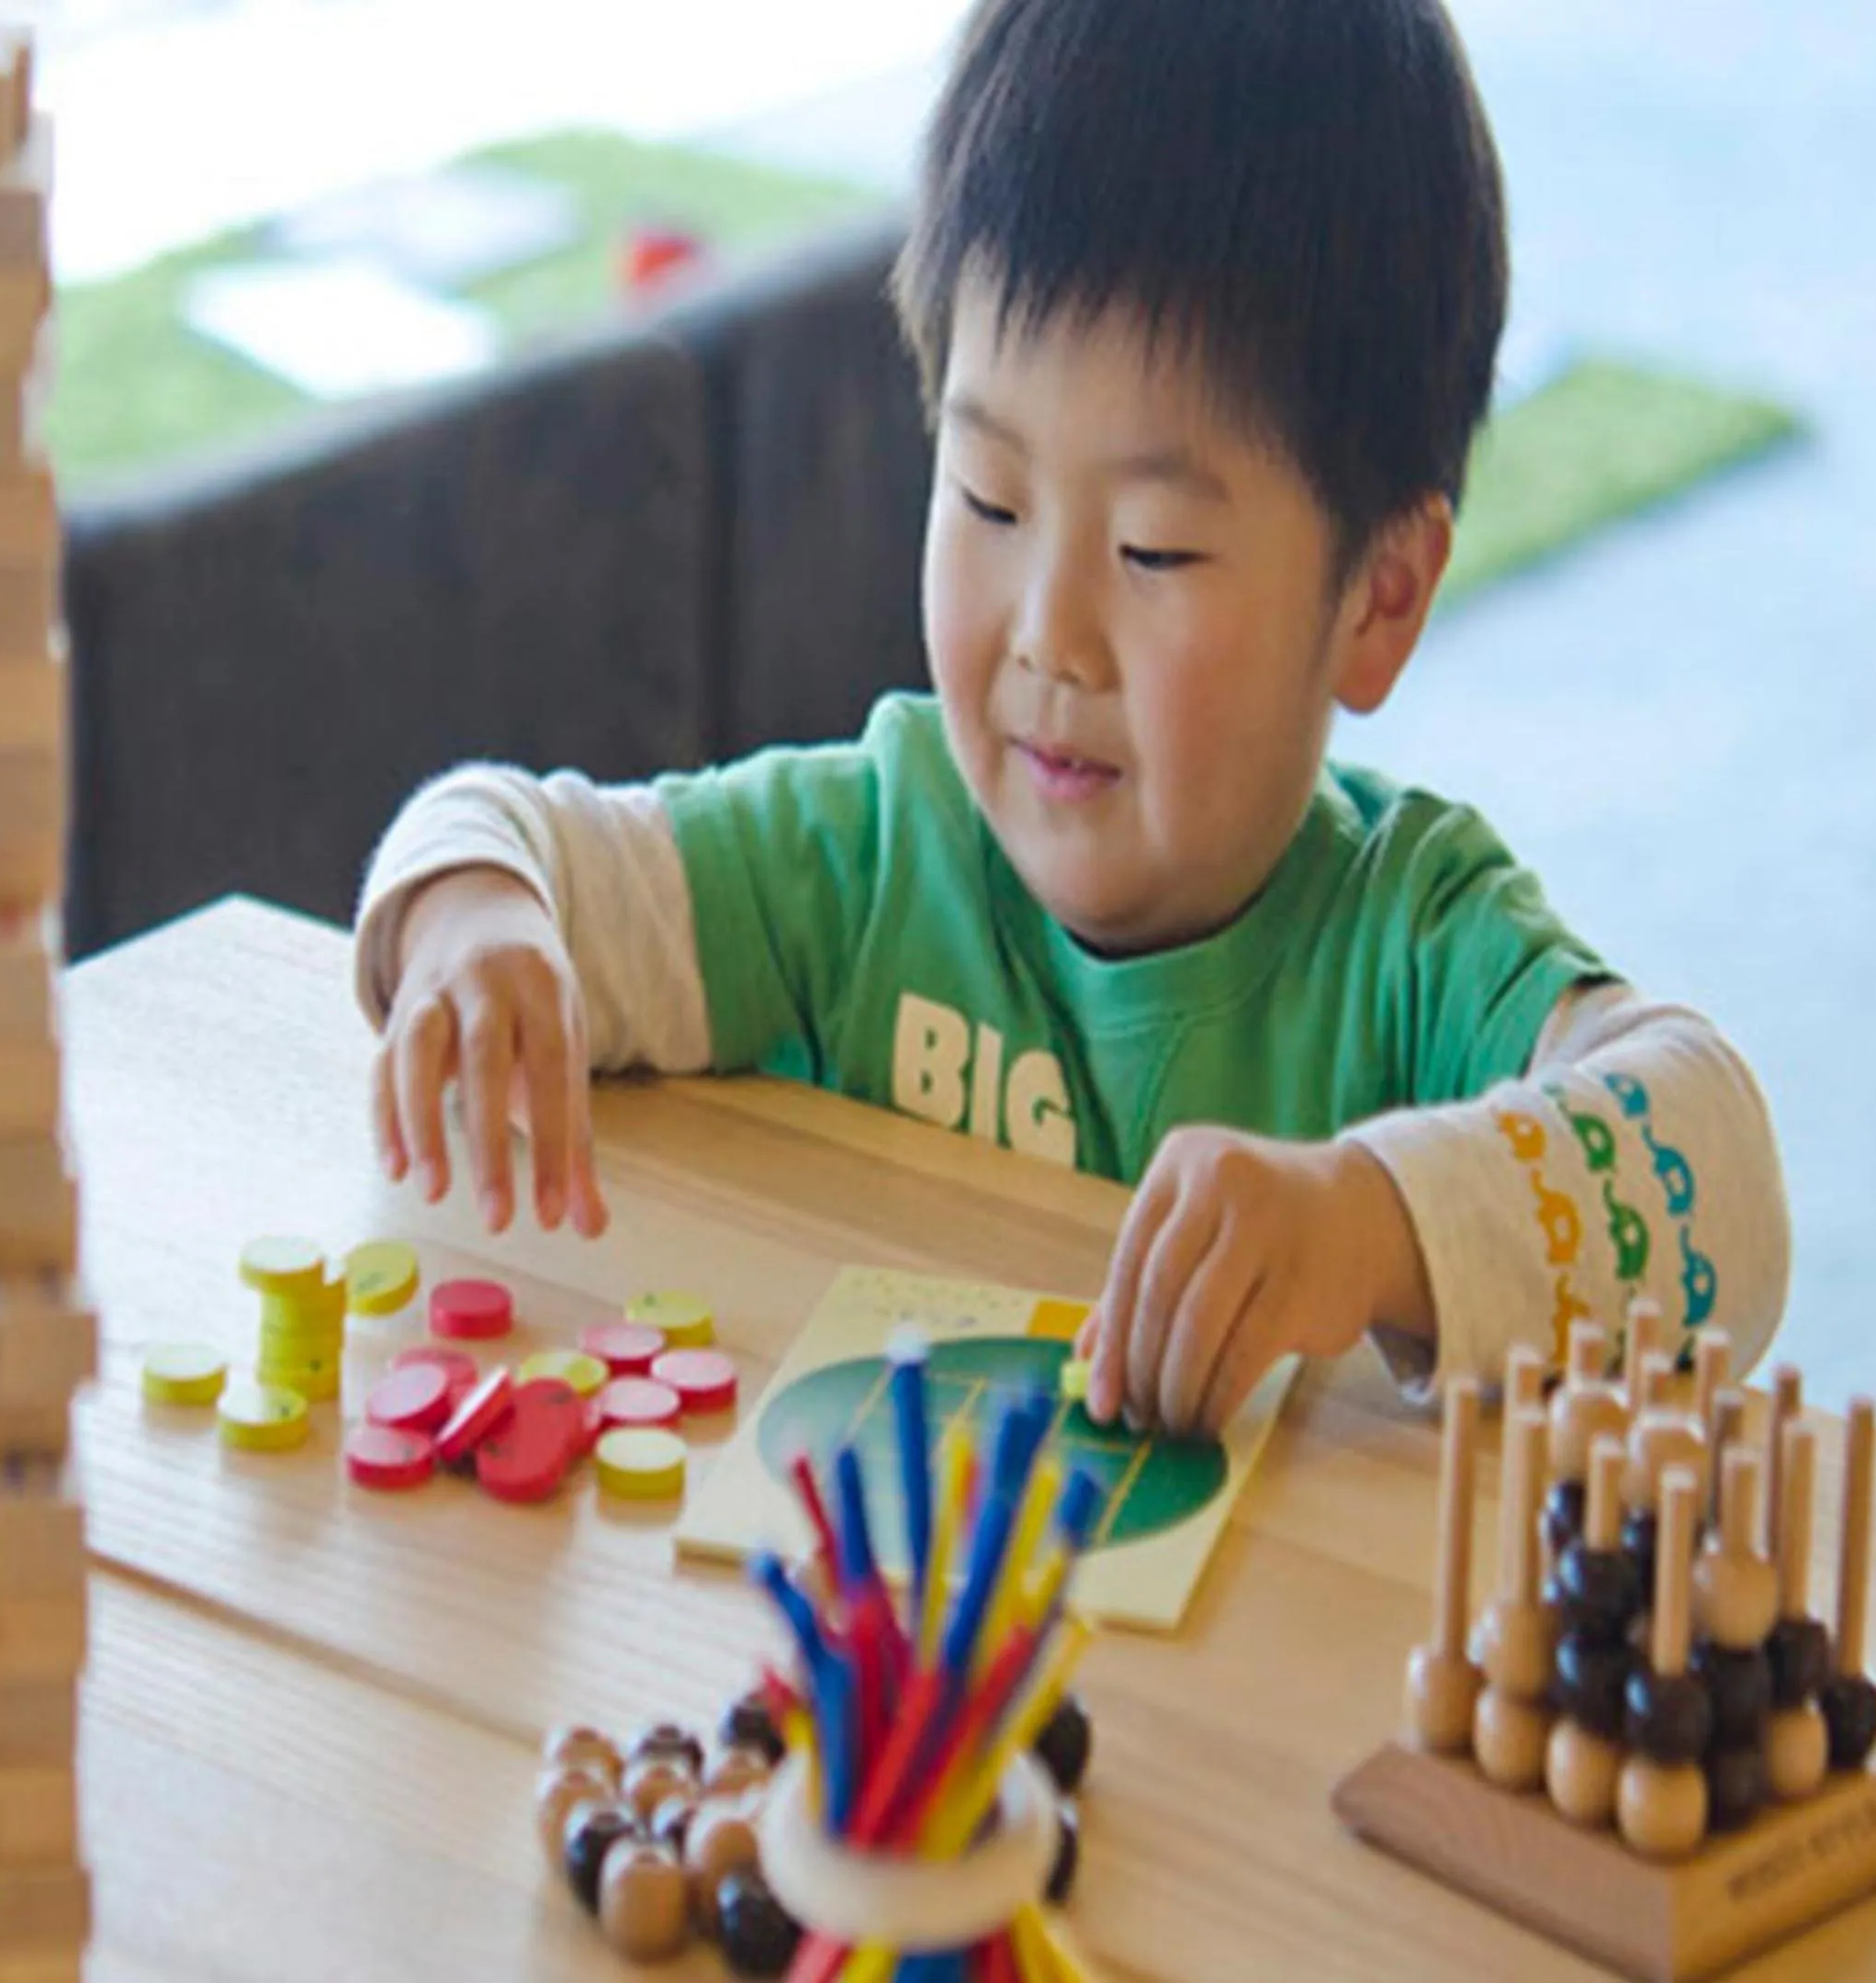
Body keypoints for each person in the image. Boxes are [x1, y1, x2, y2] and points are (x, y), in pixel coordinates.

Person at [351, 0, 1789, 1436]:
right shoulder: (866, 856)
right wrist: (476, 919)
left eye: (1154, 550)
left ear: (1379, 596)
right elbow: (499, 835)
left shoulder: (1407, 947)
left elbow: (1716, 1167)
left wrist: (1370, 1227)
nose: (1050, 632)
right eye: (988, 500)